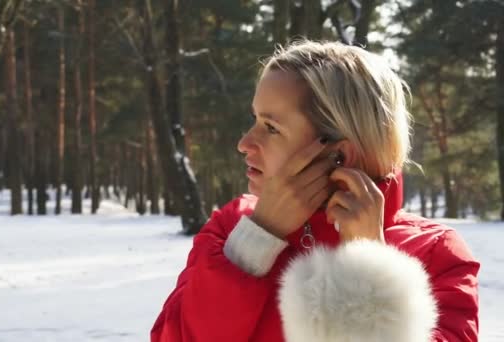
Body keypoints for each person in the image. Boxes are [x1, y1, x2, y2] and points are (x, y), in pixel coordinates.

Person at [150, 41, 480, 342]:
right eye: (255, 120)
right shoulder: (229, 232)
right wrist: (254, 244)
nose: (245, 143)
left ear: (339, 156)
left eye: (271, 128)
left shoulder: (437, 255)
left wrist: (368, 266)